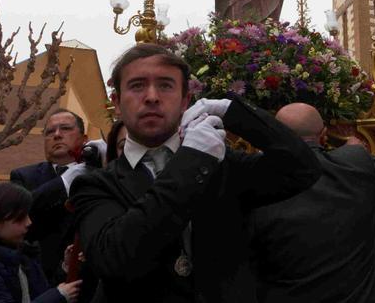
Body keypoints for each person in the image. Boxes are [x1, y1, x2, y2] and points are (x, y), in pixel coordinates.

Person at [70, 43, 322, 302]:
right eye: (137, 86)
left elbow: (301, 169)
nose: (152, 96)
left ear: (185, 101)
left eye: (166, 85)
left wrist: (233, 111)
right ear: (117, 103)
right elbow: (114, 260)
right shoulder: (94, 185)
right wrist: (191, 159)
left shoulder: (221, 165)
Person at [246, 103, 375, 303]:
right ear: (323, 135)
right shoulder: (356, 163)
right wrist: (356, 150)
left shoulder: (253, 181)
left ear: (274, 136)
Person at [10, 108, 89, 282]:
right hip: (39, 279)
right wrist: (66, 180)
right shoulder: (23, 176)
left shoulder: (100, 174)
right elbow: (20, 216)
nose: (57, 135)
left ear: (84, 139)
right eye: (50, 132)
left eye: (66, 128)